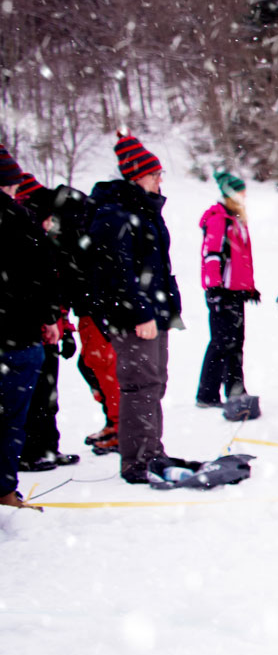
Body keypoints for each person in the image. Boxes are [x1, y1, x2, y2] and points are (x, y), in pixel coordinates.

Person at [88, 133, 188, 486]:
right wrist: (140, 312)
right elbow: (117, 272)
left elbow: (156, 265)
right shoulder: (115, 213)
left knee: (154, 384)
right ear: (136, 176)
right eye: (154, 174)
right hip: (134, 317)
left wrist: (166, 306)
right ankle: (138, 461)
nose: (160, 180)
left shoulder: (144, 210)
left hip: (154, 312)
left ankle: (151, 451)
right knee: (140, 385)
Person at [0, 147, 63, 509]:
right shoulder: (21, 220)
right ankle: (5, 491)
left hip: (17, 332)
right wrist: (50, 317)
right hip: (17, 337)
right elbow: (43, 276)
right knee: (10, 420)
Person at [14, 173, 84, 471]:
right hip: (28, 329)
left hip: (50, 327)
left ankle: (47, 447)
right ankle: (28, 451)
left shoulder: (48, 240)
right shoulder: (21, 238)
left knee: (48, 394)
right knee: (30, 395)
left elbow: (56, 289)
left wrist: (65, 328)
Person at [195, 169, 259, 409]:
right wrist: (215, 288)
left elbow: (241, 259)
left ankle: (235, 389)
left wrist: (248, 288)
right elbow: (211, 254)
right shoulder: (219, 219)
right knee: (221, 341)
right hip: (222, 292)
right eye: (241, 191)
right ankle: (207, 394)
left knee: (236, 341)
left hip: (235, 292)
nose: (245, 195)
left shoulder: (236, 219)